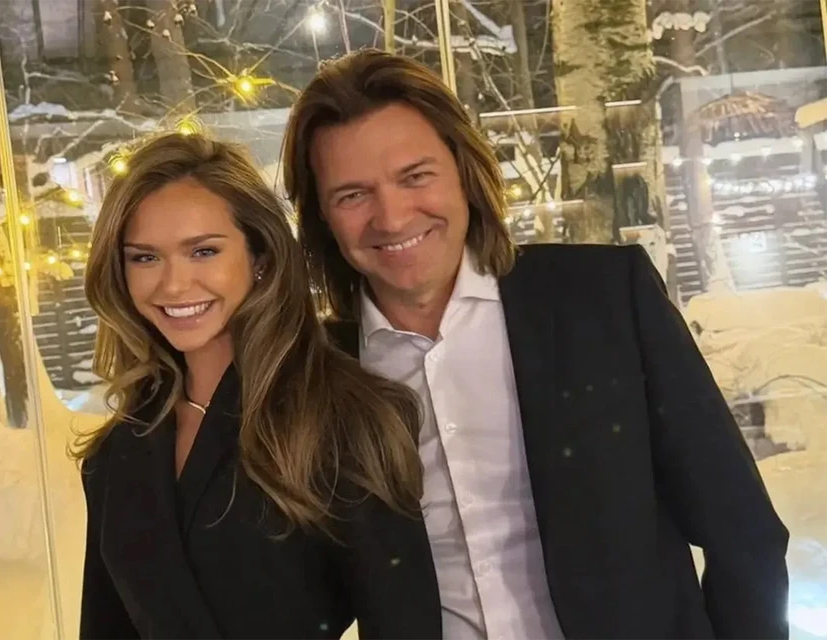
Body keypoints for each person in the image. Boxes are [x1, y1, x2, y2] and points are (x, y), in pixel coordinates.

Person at [282, 49, 790, 640]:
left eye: (415, 176)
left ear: (464, 171)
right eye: (352, 195)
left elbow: (741, 529)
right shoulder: (318, 374)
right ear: (321, 217)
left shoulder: (603, 299)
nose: (392, 217)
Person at [75, 132, 442, 639]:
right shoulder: (114, 454)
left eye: (203, 251)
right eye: (145, 257)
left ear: (261, 256)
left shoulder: (345, 419)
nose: (174, 284)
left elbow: (406, 625)